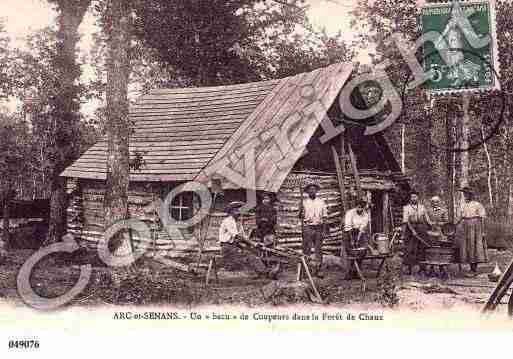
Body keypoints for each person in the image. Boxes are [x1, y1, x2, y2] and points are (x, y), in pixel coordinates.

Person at [219, 202, 280, 279]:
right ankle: (265, 272)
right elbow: (238, 236)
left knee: (255, 251)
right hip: (227, 247)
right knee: (249, 255)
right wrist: (252, 243)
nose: (238, 212)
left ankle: (260, 272)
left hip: (235, 245)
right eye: (236, 210)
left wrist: (255, 244)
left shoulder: (238, 222)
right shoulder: (228, 221)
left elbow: (244, 237)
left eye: (239, 210)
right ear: (231, 212)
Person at [299, 180, 328, 277]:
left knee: (318, 249)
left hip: (318, 227)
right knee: (306, 248)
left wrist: (324, 230)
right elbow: (300, 217)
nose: (312, 191)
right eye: (310, 189)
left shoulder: (321, 202)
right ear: (307, 192)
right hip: (307, 227)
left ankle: (319, 270)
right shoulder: (304, 202)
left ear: (316, 191)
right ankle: (306, 271)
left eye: (314, 189)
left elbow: (324, 217)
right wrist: (300, 212)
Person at [457, 187, 488, 275]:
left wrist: (482, 231)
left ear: (471, 195)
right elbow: (460, 217)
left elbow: (482, 219)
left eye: (466, 194)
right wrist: (455, 226)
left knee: (474, 246)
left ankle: (474, 269)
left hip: (475, 226)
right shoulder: (462, 205)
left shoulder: (477, 204)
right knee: (467, 247)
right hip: (465, 226)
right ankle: (470, 268)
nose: (465, 196)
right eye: (464, 194)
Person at [402, 190, 431, 276]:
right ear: (410, 198)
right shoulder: (406, 208)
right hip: (410, 230)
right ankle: (409, 269)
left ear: (418, 197)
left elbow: (427, 219)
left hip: (421, 229)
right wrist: (412, 231)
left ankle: (422, 269)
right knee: (410, 249)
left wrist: (432, 226)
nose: (414, 198)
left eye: (415, 197)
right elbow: (406, 221)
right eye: (412, 197)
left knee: (422, 249)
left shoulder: (422, 207)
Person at [344, 198, 370, 278]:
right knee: (351, 252)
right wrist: (352, 240)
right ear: (356, 207)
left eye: (361, 208)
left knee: (361, 251)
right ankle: (349, 272)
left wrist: (358, 239)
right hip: (349, 232)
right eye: (358, 207)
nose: (360, 209)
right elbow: (348, 227)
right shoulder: (350, 213)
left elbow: (362, 228)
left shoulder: (365, 215)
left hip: (359, 233)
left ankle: (356, 271)